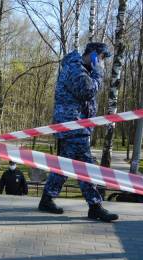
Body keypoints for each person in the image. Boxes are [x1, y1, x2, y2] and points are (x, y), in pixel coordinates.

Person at [38, 42, 119, 222]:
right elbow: (88, 90)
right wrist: (99, 72)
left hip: (75, 125)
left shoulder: (80, 68)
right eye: (101, 58)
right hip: (72, 125)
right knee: (85, 166)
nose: (102, 63)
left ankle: (47, 199)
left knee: (64, 165)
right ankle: (95, 206)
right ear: (93, 54)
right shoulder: (75, 68)